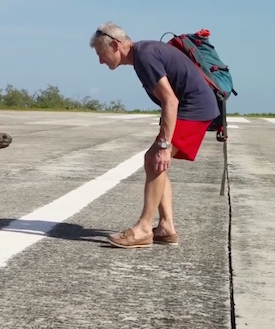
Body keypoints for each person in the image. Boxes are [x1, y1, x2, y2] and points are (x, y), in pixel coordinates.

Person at [89, 22, 220, 249]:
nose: (100, 61)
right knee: (156, 162)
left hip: (194, 108)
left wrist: (164, 144)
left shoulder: (145, 56)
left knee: (155, 159)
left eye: (102, 54)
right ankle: (166, 227)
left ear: (115, 45)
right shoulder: (143, 54)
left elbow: (171, 100)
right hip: (193, 107)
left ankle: (143, 229)